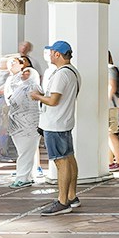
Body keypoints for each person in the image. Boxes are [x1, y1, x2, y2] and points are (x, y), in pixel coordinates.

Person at [33, 40, 81, 215]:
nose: (50, 55)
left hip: (55, 123)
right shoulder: (73, 72)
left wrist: (36, 96)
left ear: (58, 55)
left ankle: (62, 202)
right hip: (64, 121)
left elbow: (53, 100)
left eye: (52, 52)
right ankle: (71, 196)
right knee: (68, 158)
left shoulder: (61, 74)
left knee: (61, 162)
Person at [3, 55, 42, 188]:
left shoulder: (34, 84)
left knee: (26, 151)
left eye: (27, 72)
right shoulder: (13, 82)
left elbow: (19, 100)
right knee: (23, 151)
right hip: (16, 122)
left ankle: (22, 178)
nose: (24, 74)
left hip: (30, 124)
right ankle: (26, 176)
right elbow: (11, 100)